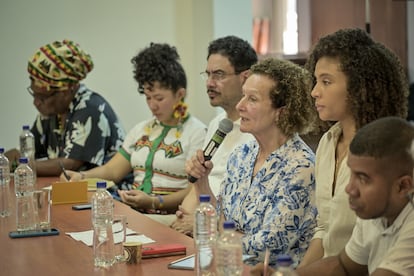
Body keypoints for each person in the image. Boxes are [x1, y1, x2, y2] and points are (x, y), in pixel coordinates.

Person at [187, 57, 318, 267]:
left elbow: (268, 247)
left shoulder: (301, 167)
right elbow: (219, 221)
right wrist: (201, 183)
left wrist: (226, 234)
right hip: (230, 265)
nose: (240, 106)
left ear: (281, 112)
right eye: (243, 96)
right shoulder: (242, 154)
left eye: (252, 99)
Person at [297, 28, 409, 267]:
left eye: (326, 82)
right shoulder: (327, 142)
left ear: (360, 87)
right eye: (315, 81)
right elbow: (324, 229)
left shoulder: (386, 155)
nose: (314, 92)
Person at [63, 43, 206, 225]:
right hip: (135, 214)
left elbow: (195, 189)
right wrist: (82, 177)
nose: (152, 105)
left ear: (180, 94)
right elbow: (112, 170)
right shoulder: (141, 130)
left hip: (171, 219)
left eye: (159, 98)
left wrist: (155, 201)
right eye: (148, 97)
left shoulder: (197, 133)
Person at [251, 117, 414, 276]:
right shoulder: (375, 212)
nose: (350, 188)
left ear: (403, 186)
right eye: (351, 174)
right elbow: (343, 266)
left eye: (363, 178)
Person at [170, 35, 257, 236]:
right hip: (191, 221)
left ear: (246, 77)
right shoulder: (217, 124)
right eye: (207, 75)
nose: (209, 83)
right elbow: (200, 181)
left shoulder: (257, 133)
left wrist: (203, 222)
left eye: (218, 75)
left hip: (221, 231)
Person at [5, 40, 126, 177]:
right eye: (34, 94)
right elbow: (28, 151)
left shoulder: (90, 108)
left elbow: (71, 164)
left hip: (109, 192)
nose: (36, 103)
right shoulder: (51, 112)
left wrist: (22, 165)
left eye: (43, 97)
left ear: (67, 90)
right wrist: (9, 158)